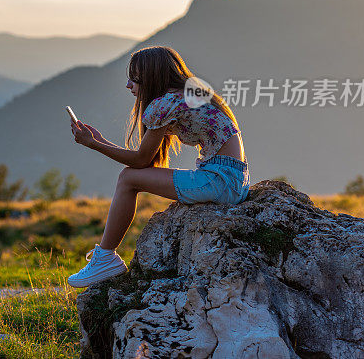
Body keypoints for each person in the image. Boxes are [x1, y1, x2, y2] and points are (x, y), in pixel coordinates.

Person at [66, 45, 250, 288]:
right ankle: (105, 257)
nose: (129, 86)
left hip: (218, 181)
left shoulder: (164, 104)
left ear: (151, 77)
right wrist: (98, 141)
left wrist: (95, 144)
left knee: (127, 178)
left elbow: (141, 161)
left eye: (134, 79)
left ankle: (105, 257)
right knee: (130, 177)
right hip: (234, 179)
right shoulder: (193, 93)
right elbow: (147, 160)